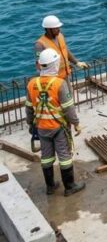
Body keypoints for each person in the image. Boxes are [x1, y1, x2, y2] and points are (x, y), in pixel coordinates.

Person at [25, 49, 85, 196]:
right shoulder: (60, 84)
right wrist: (76, 123)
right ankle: (69, 186)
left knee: (46, 156)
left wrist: (31, 124)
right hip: (58, 127)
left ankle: (50, 186)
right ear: (55, 64)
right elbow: (68, 108)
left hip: (41, 127)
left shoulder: (31, 84)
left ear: (41, 65)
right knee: (64, 156)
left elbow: (28, 107)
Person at [35, 15, 88, 80]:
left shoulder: (60, 36)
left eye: (59, 27)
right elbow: (39, 64)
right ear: (49, 29)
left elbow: (65, 50)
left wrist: (76, 62)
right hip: (54, 79)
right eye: (56, 28)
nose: (59, 30)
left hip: (65, 74)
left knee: (69, 90)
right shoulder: (40, 44)